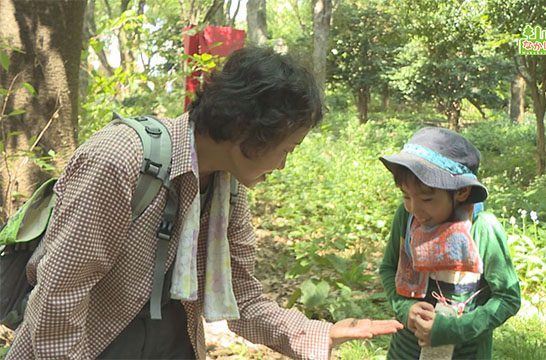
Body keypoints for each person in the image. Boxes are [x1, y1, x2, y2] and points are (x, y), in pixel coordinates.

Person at [7, 47, 402, 360]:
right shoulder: (121, 159)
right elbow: (60, 293)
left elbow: (242, 298)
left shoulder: (228, 190)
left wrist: (320, 333)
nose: (283, 165)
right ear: (246, 129)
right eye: (286, 149)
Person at [378, 127, 521, 359]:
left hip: (466, 353)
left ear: (461, 191)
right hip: (405, 350)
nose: (415, 208)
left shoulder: (482, 229)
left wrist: (456, 329)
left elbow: (508, 298)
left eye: (426, 198)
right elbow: (388, 268)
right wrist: (404, 309)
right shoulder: (406, 219)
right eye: (406, 196)